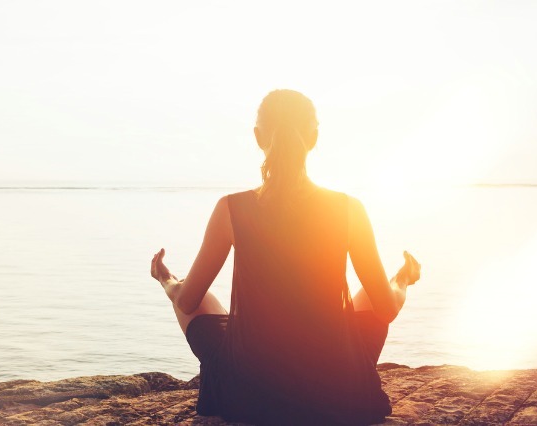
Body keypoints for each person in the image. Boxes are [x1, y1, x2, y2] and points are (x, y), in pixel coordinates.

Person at [149, 89, 421, 425]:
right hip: (338, 390)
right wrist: (402, 279)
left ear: (258, 137)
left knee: (193, 288)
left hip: (248, 392)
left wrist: (166, 279)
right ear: (314, 138)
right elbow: (387, 308)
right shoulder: (350, 209)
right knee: (372, 294)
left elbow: (188, 302)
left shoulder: (231, 209)